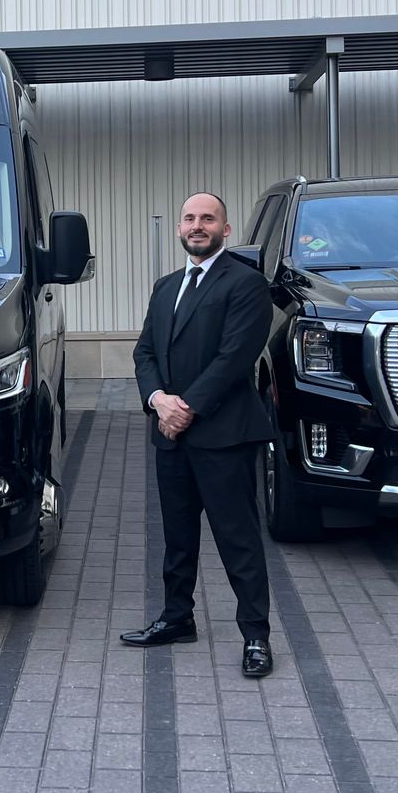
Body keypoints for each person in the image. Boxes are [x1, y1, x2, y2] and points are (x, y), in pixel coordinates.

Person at [123, 191, 277, 678]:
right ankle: (176, 618)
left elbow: (234, 358)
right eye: (189, 218)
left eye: (207, 219)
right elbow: (145, 352)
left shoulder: (248, 284)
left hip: (223, 436)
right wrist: (157, 401)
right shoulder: (166, 286)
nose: (197, 226)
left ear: (225, 230)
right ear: (178, 228)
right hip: (171, 435)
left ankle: (255, 636)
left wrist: (185, 407)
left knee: (239, 540)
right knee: (177, 536)